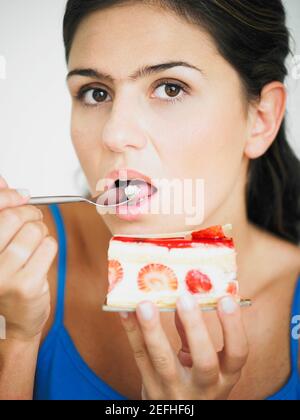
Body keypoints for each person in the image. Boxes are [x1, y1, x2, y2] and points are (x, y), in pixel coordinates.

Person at [0, 0, 300, 400]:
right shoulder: (18, 265)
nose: (114, 134)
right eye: (95, 92)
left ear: (260, 118)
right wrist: (18, 336)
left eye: (170, 88)